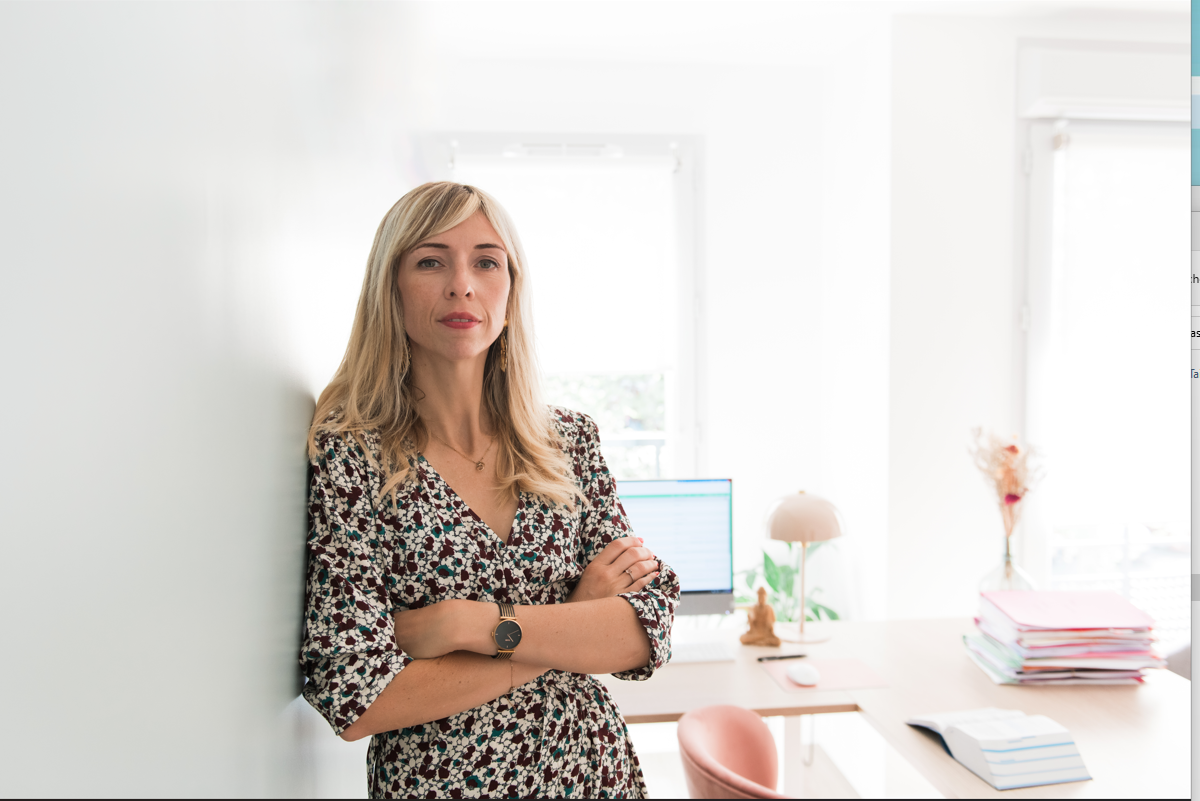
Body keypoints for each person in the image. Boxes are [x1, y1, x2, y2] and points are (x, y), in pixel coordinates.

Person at [300, 181, 680, 798]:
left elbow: (647, 629)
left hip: (593, 776)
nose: (462, 285)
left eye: (485, 261)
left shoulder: (567, 442)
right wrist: (570, 625)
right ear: (389, 290)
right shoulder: (352, 456)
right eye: (430, 261)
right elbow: (355, 696)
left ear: (510, 287)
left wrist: (462, 624)